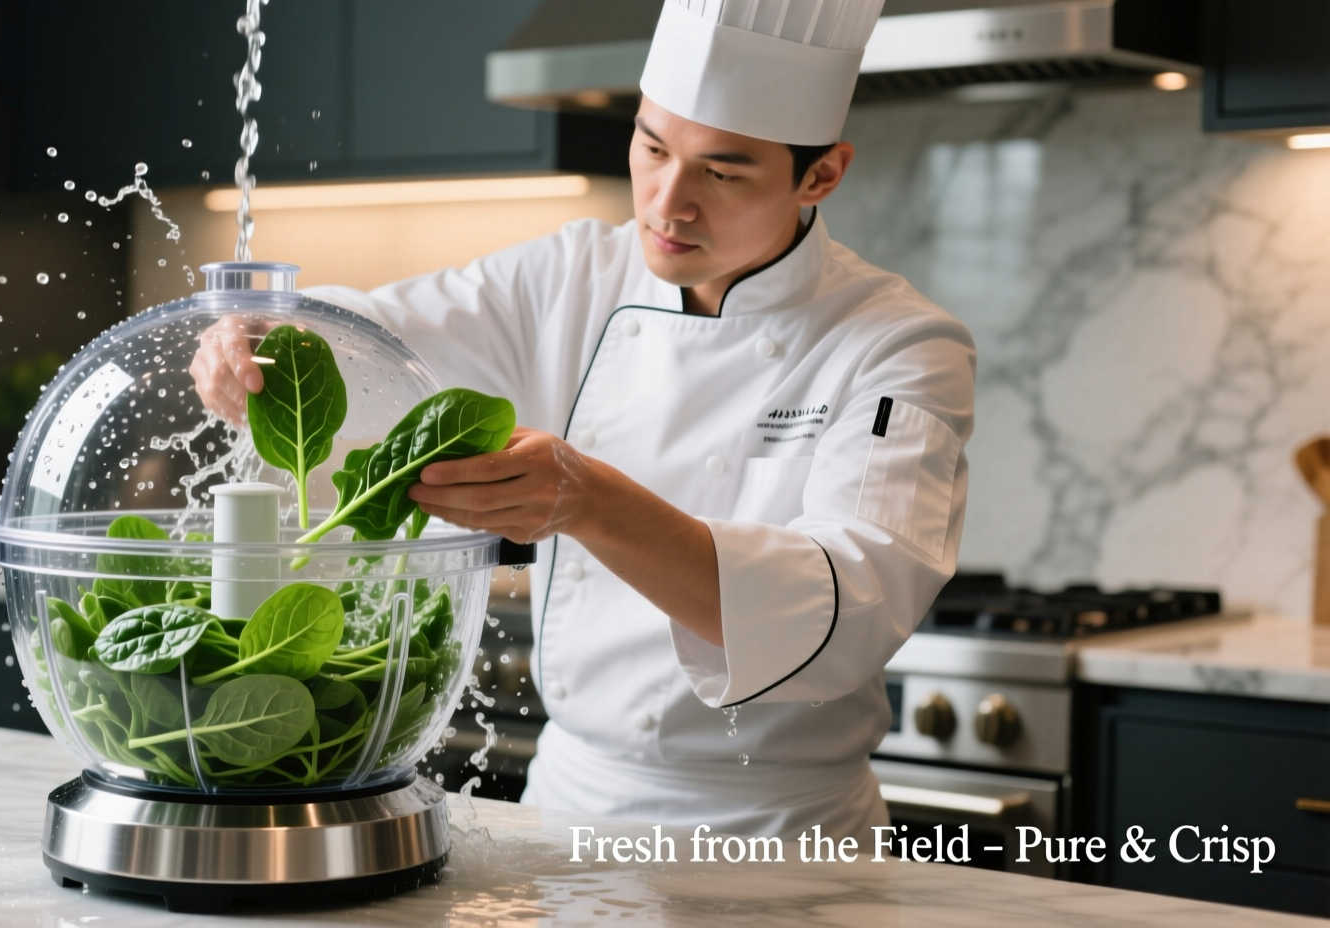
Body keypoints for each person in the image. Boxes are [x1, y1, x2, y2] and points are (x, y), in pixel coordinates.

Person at [190, 0, 973, 843]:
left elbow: (850, 609)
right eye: (652, 147)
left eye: (725, 173)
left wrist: (588, 502)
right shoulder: (571, 274)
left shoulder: (901, 344)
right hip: (568, 808)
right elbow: (381, 340)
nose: (669, 204)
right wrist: (267, 340)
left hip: (781, 832)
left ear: (821, 175)